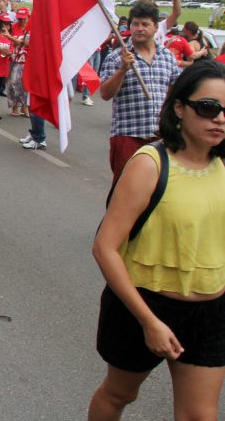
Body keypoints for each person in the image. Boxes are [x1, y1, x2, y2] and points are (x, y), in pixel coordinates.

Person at [89, 60, 225, 421]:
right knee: (119, 394)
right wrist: (149, 321)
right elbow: (105, 247)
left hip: (210, 313)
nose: (220, 119)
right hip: (143, 306)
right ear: (179, 107)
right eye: (209, 108)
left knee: (200, 416)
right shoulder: (150, 163)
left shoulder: (223, 165)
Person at [99, 1, 181, 182]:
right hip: (128, 135)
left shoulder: (167, 57)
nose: (139, 28)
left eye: (145, 24)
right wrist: (122, 70)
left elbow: (178, 93)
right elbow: (105, 94)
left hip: (160, 137)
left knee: (157, 189)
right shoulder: (117, 57)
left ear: (155, 27)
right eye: (135, 24)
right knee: (125, 188)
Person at [8, 7, 29, 117]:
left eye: (23, 19)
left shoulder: (31, 28)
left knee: (25, 85)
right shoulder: (12, 27)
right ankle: (15, 106)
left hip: (27, 59)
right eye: (19, 19)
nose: (21, 21)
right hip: (14, 59)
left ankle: (24, 107)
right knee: (13, 84)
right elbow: (7, 41)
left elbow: (29, 44)